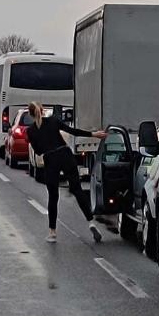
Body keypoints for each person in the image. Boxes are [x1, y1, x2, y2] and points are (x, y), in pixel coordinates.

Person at [26, 101, 108, 243]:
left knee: (53, 196)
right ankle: (91, 222)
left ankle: (52, 232)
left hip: (50, 159)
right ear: (43, 110)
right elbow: (72, 131)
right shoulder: (53, 121)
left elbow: (38, 151)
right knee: (77, 189)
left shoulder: (31, 131)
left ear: (31, 114)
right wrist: (93, 134)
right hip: (65, 155)